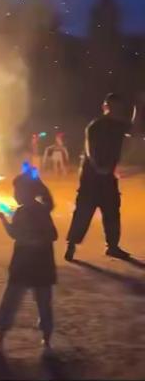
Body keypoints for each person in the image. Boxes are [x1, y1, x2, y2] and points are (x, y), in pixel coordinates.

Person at [0, 172, 58, 357]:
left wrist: (34, 241)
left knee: (30, 302)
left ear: (29, 191)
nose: (15, 194)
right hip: (31, 263)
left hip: (34, 263)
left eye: (18, 190)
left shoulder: (40, 211)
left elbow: (52, 235)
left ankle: (44, 342)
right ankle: (3, 338)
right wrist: (2, 218)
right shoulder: (21, 211)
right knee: (25, 301)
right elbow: (15, 234)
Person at [65, 93, 135, 262]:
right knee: (83, 212)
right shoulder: (95, 126)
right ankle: (72, 245)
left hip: (107, 176)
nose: (115, 109)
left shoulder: (119, 126)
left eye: (118, 106)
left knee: (112, 212)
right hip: (91, 176)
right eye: (112, 106)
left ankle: (112, 247)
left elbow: (134, 128)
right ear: (105, 107)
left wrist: (138, 106)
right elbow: (91, 150)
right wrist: (99, 167)